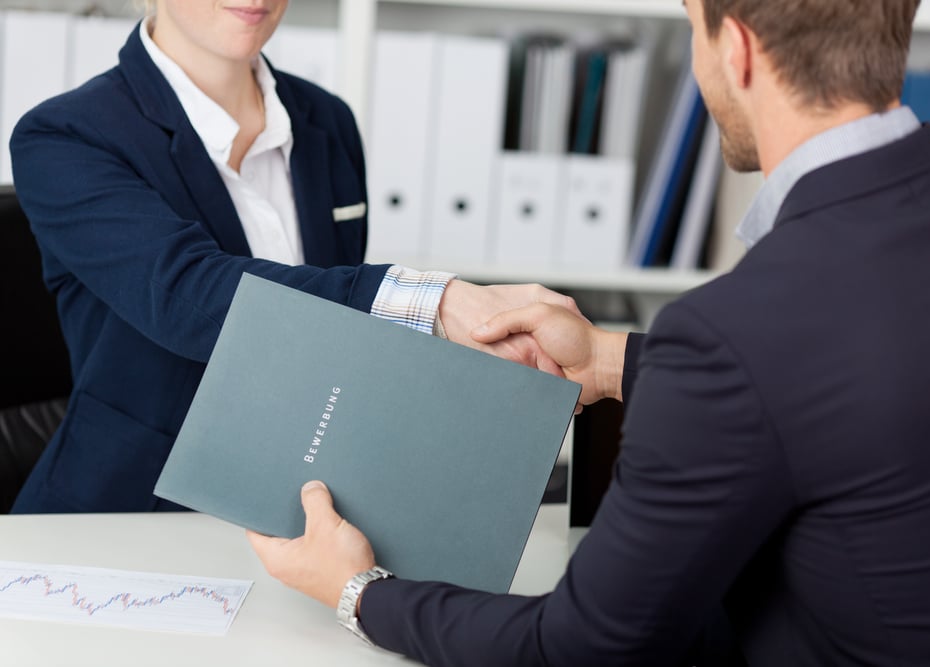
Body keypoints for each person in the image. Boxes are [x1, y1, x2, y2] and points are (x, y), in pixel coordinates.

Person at [248, 0, 930, 664]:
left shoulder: (733, 331)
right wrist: (611, 361)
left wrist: (357, 589)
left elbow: (581, 644)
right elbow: (860, 378)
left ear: (735, 49)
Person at [8, 0, 577, 514]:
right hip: (129, 510)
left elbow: (343, 332)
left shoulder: (327, 120)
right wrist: (436, 300)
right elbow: (189, 295)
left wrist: (484, 347)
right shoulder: (65, 136)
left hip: (305, 501)